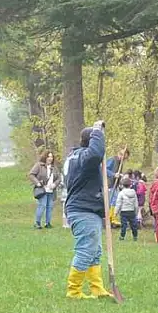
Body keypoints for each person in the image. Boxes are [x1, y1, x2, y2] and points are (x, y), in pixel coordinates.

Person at [64, 122, 112, 299]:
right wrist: (98, 132)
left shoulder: (75, 156)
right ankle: (74, 290)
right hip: (83, 209)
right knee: (86, 249)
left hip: (87, 208)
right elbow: (96, 154)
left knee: (95, 251)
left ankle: (96, 288)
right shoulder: (84, 158)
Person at [28, 151, 59, 229]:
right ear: (45, 157)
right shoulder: (39, 165)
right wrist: (37, 183)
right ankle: (37, 223)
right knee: (42, 205)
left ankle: (47, 223)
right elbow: (31, 174)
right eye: (48, 156)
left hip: (51, 190)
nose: (50, 158)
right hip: (42, 190)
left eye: (51, 157)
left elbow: (59, 178)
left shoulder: (54, 167)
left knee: (50, 207)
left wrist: (55, 184)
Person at [115, 177, 140, 241]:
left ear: (122, 185)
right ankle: (135, 236)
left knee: (124, 225)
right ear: (130, 185)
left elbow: (118, 203)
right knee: (134, 225)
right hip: (131, 211)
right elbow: (136, 204)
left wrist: (116, 212)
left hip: (123, 212)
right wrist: (136, 212)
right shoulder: (133, 193)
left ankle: (122, 236)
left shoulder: (121, 193)